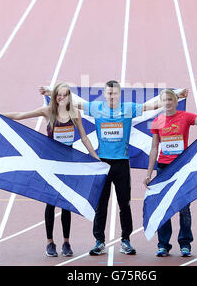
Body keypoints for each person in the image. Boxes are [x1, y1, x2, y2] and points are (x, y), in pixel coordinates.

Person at [40, 81, 188, 255]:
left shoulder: (127, 108)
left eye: (114, 93)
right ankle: (99, 241)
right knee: (100, 205)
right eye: (109, 93)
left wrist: (176, 95)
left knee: (124, 204)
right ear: (104, 94)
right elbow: (74, 102)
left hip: (122, 163)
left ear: (119, 94)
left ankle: (126, 240)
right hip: (103, 163)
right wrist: (51, 91)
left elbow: (150, 106)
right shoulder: (95, 108)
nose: (111, 96)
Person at [3, 82, 99, 257]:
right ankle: (50, 242)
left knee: (66, 205)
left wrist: (95, 157)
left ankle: (66, 243)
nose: (61, 98)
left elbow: (84, 137)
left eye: (64, 95)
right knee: (51, 203)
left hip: (67, 166)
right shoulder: (48, 111)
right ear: (55, 97)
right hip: (51, 166)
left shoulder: (74, 113)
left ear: (69, 97)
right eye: (58, 95)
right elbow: (19, 115)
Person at [143, 89, 197, 257]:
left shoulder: (186, 116)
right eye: (164, 100)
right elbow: (154, 148)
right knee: (163, 207)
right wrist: (149, 174)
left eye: (170, 99)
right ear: (161, 103)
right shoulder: (157, 121)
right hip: (163, 169)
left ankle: (185, 243)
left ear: (175, 101)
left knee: (184, 208)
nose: (167, 103)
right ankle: (163, 244)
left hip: (182, 168)